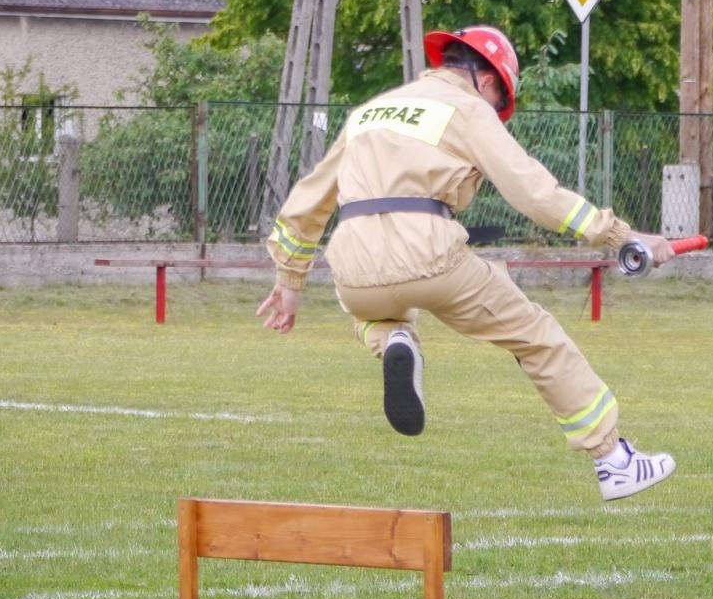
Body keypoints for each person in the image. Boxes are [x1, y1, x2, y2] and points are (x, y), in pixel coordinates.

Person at [255, 25, 678, 501]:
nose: (498, 110)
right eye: (501, 99)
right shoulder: (470, 110)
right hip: (431, 252)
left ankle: (392, 338)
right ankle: (613, 460)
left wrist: (289, 281)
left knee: (370, 315)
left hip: (352, 263)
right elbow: (535, 193)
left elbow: (307, 201)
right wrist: (621, 234)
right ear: (488, 79)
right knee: (536, 337)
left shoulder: (369, 114)